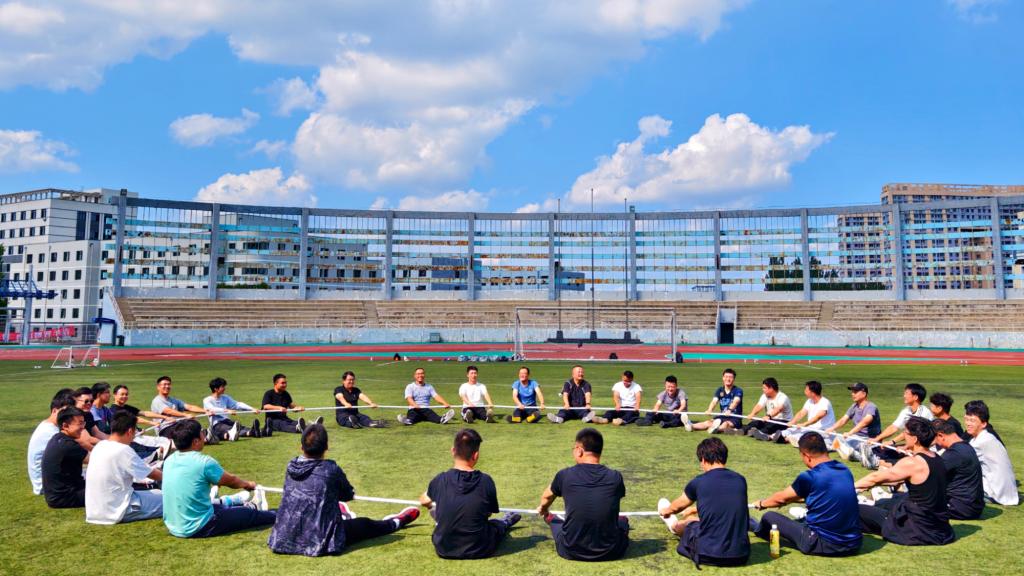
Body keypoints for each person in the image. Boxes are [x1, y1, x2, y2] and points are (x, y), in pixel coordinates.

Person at [268, 424, 418, 556]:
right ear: (327, 447)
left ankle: (342, 514)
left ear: (301, 447)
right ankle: (396, 522)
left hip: (283, 539)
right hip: (321, 541)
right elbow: (347, 494)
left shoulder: (291, 466)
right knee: (365, 525)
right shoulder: (330, 469)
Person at [750, 432, 862, 556]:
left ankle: (756, 528)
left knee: (769, 517)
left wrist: (762, 503)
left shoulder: (810, 476)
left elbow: (780, 499)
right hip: (854, 543)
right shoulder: (844, 469)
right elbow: (822, 495)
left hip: (822, 543)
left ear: (806, 455)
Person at [162, 419, 277, 538]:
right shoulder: (203, 462)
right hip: (200, 526)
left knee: (219, 507)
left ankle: (248, 505)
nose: (204, 435)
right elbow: (231, 481)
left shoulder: (169, 460)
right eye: (202, 432)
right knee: (249, 514)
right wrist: (247, 484)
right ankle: (279, 516)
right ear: (195, 441)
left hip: (174, 526)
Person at [420, 428, 521, 559]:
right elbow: (488, 513)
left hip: (444, 549)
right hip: (480, 548)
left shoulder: (440, 480)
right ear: (476, 455)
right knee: (495, 526)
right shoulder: (486, 480)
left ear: (453, 450)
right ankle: (505, 523)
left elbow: (424, 500)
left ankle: (443, 523)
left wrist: (434, 506)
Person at [856, 416, 956, 546]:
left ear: (915, 439)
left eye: (906, 433)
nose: (903, 436)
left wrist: (851, 487)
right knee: (885, 505)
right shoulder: (937, 458)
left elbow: (874, 478)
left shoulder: (913, 463)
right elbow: (894, 480)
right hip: (940, 528)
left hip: (917, 529)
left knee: (856, 511)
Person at [537, 428, 629, 561]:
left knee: (554, 522)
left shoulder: (564, 475)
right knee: (623, 522)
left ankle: (551, 519)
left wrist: (544, 509)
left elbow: (546, 496)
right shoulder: (615, 476)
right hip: (612, 552)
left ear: (579, 450)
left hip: (570, 550)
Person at [657, 437, 750, 567]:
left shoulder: (699, 481)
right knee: (700, 521)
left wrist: (666, 511)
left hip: (707, 555)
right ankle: (691, 520)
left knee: (687, 525)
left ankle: (673, 525)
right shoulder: (740, 480)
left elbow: (679, 505)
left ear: (704, 460)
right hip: (741, 556)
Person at [85, 411, 164, 524]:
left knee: (156, 492)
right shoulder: (123, 450)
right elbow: (153, 474)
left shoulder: (100, 446)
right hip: (119, 509)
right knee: (173, 499)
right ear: (130, 431)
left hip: (95, 511)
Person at [859, 383, 932, 469]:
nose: (904, 396)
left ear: (915, 397)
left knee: (902, 453)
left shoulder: (923, 413)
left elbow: (912, 434)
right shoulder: (907, 410)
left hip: (924, 447)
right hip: (912, 443)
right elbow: (894, 427)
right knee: (884, 448)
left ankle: (879, 463)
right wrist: (877, 439)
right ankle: (876, 460)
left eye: (906, 393)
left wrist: (896, 443)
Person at [964, 400, 1019, 506]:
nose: (968, 424)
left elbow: (960, 460)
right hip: (1005, 491)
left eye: (973, 420)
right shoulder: (985, 435)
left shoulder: (983, 441)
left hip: (995, 493)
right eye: (966, 419)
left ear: (984, 424)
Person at [932, 418, 985, 520]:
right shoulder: (965, 447)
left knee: (913, 504)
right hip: (971, 506)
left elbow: (928, 473)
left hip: (961, 508)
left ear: (940, 435)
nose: (935, 444)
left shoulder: (954, 453)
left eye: (934, 440)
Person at [28, 389, 75, 495]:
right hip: (46, 484)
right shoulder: (51, 432)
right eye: (65, 412)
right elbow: (78, 454)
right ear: (54, 411)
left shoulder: (49, 426)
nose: (68, 417)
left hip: (48, 479)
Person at [41, 407, 90, 508]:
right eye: (80, 423)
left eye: (83, 423)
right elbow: (96, 460)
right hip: (65, 497)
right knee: (110, 488)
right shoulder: (68, 445)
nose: (83, 428)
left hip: (58, 494)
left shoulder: (58, 438)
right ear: (65, 426)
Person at [110, 384, 172, 461]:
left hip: (138, 436)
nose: (125, 396)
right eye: (122, 394)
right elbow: (134, 419)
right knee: (163, 445)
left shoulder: (126, 407)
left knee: (165, 441)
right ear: (115, 395)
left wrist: (165, 417)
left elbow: (145, 413)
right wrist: (152, 423)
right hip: (133, 439)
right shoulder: (113, 410)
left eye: (126, 394)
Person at [824, 383, 881, 461]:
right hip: (856, 437)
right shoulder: (854, 406)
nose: (852, 394)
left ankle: (860, 457)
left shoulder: (871, 407)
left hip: (870, 439)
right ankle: (834, 448)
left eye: (855, 392)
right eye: (852, 392)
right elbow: (843, 420)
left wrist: (850, 433)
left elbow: (864, 422)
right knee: (838, 440)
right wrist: (832, 428)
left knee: (842, 445)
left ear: (864, 394)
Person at [781, 381, 836, 446]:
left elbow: (817, 418)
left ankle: (789, 439)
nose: (804, 391)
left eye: (806, 390)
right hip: (811, 428)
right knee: (788, 431)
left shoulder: (825, 403)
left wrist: (804, 424)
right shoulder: (809, 401)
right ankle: (781, 437)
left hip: (824, 431)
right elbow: (801, 413)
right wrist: (793, 422)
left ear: (812, 393)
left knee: (803, 436)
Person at [691, 368, 743, 434]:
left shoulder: (738, 390)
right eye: (726, 377)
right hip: (723, 415)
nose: (728, 379)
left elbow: (736, 401)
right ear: (723, 378)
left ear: (734, 379)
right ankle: (691, 426)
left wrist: (730, 410)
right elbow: (714, 402)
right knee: (708, 422)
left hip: (734, 417)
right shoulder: (720, 390)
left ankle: (716, 429)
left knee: (725, 424)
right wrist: (710, 410)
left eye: (730, 377)